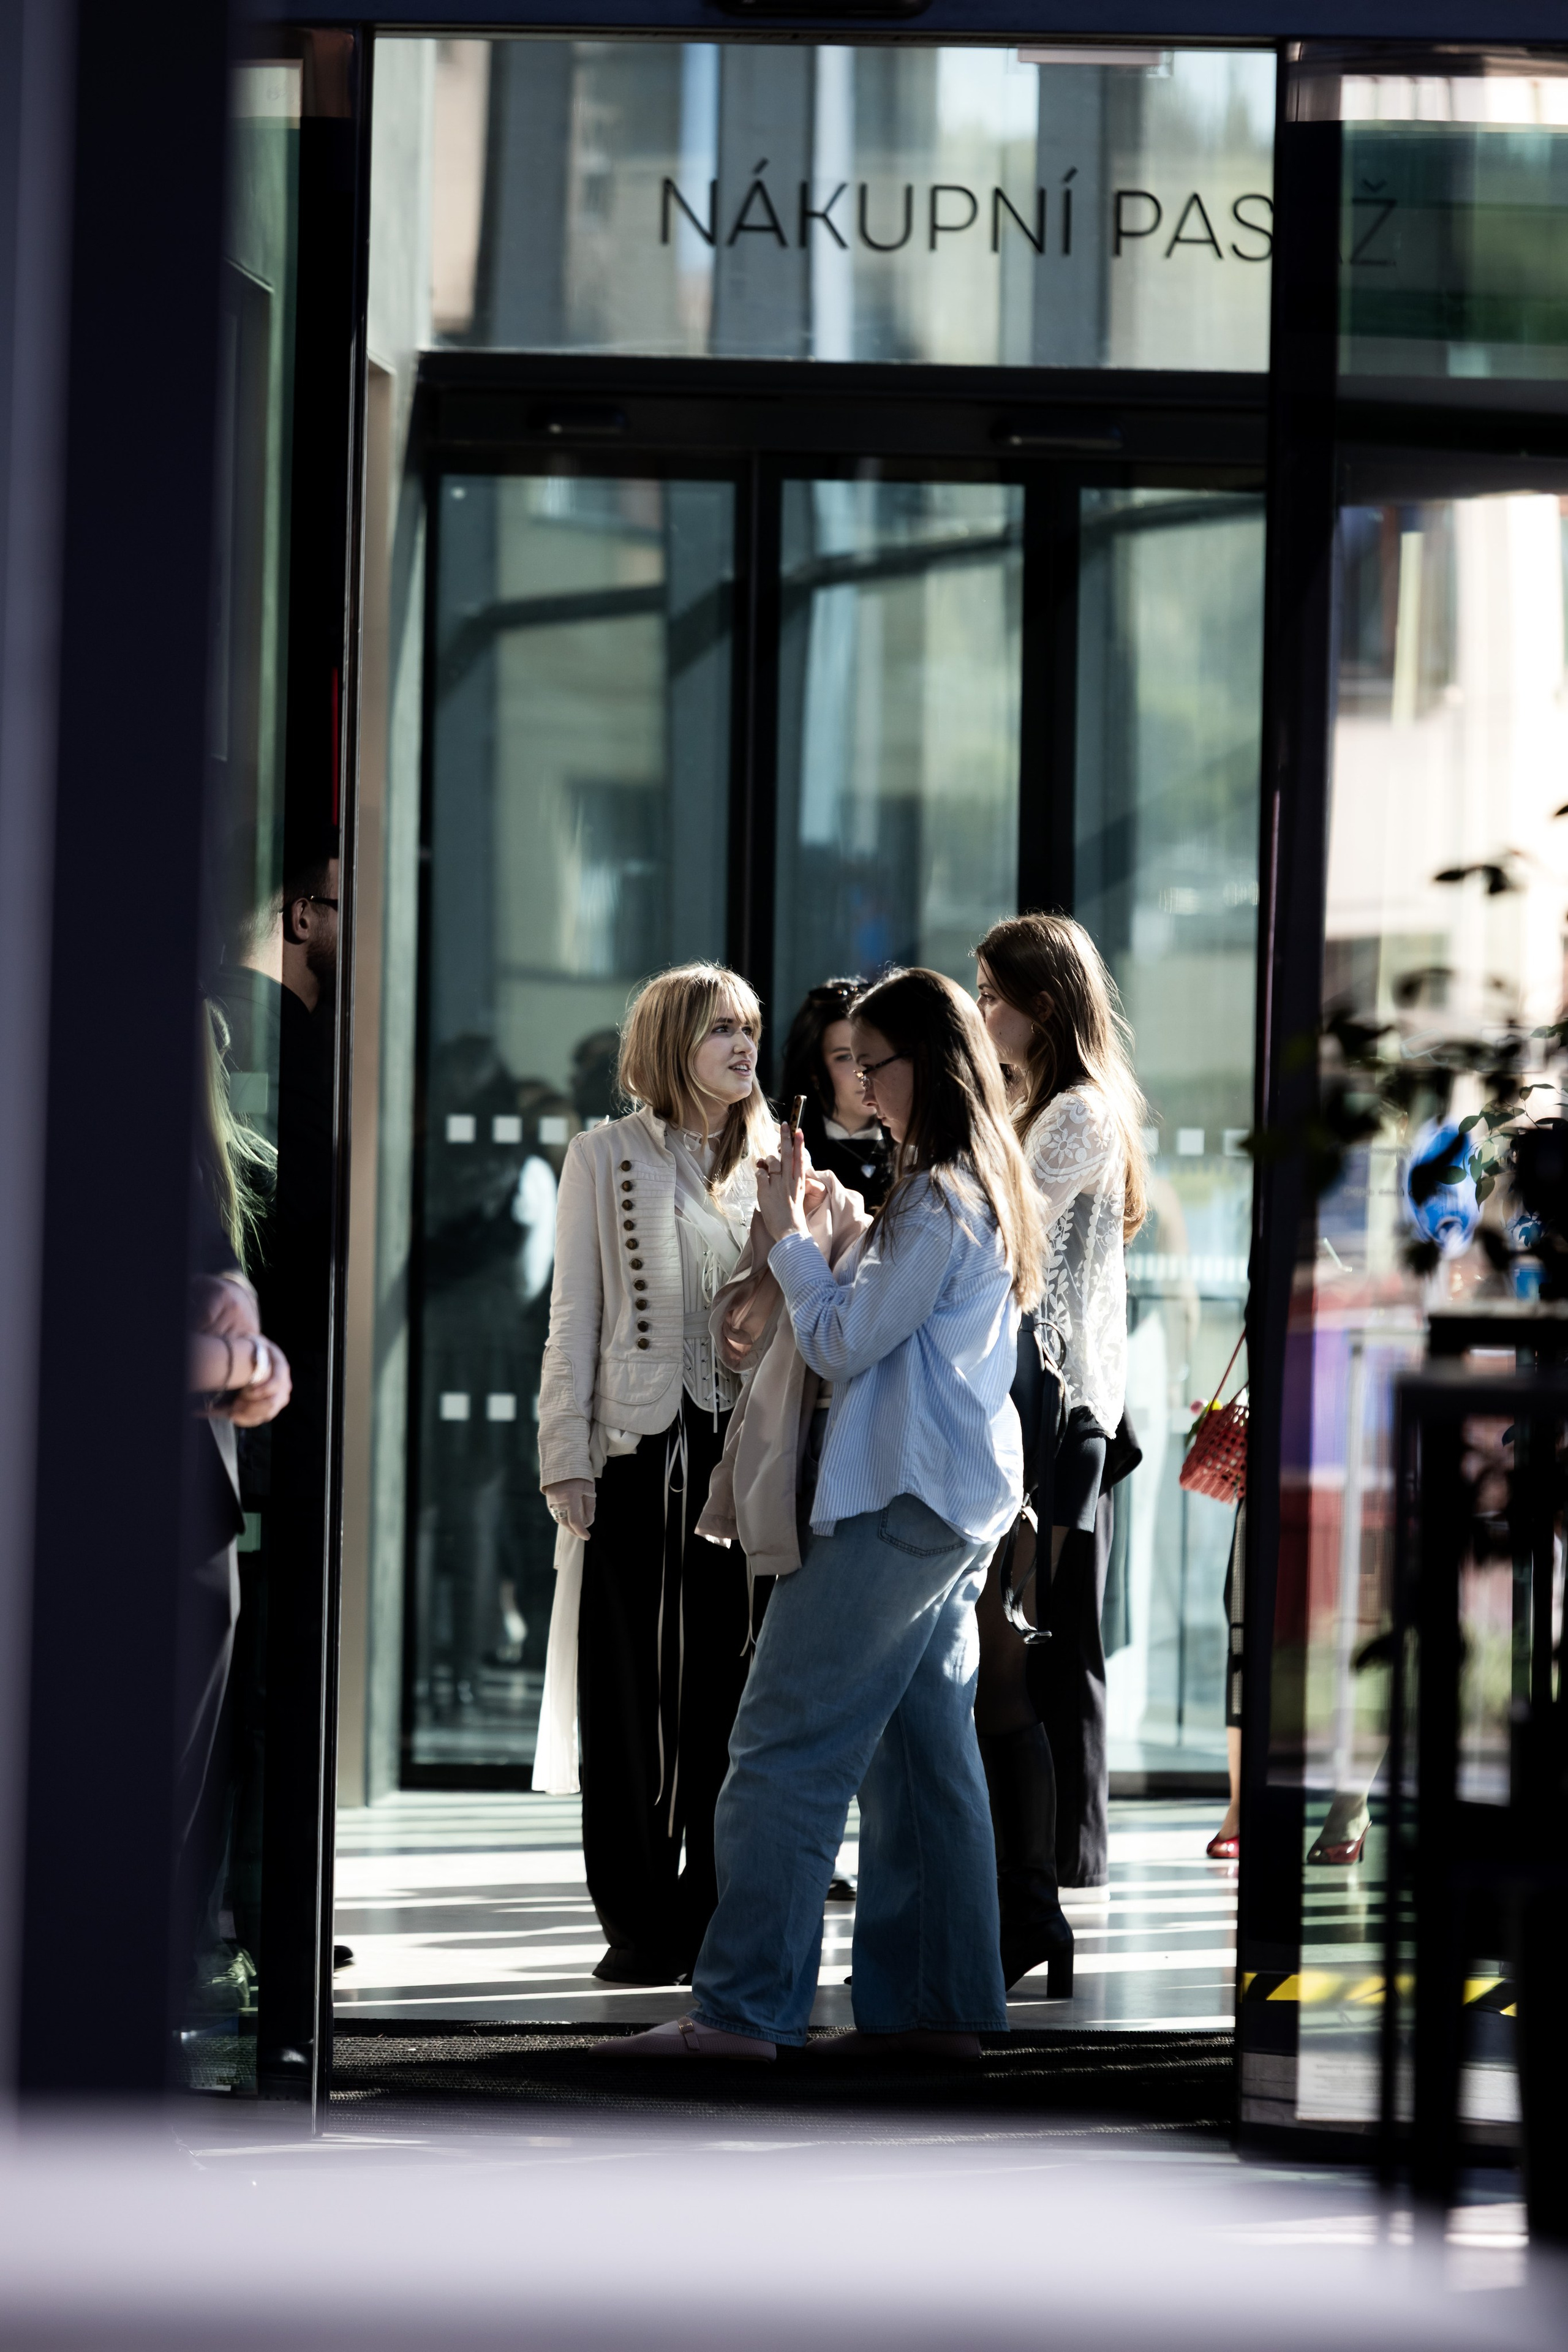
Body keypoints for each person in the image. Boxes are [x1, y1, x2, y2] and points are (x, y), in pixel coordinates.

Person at [606, 966, 1041, 2061]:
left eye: (871, 1064)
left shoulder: (941, 1194)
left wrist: (790, 1234)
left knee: (780, 1752)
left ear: (921, 1067)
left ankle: (744, 2011)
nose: (857, 1084)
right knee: (922, 1766)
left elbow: (847, 1341)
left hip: (898, 1500)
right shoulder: (973, 1186)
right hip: (949, 1504)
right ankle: (938, 2016)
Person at [536, 963, 774, 1984]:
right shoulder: (603, 1154)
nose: (742, 1047)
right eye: (722, 1028)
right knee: (627, 1696)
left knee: (728, 1688)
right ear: (671, 1039)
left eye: (750, 1029)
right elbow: (572, 1314)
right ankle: (637, 1917)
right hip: (635, 1455)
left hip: (741, 1459)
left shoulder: (776, 1159)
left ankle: (711, 1905)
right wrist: (565, 1454)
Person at [973, 913, 1147, 1975]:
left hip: (1061, 1401)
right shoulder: (1038, 1102)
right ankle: (1029, 1897)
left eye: (992, 993)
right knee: (1023, 1644)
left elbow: (1005, 1235)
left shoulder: (1078, 1114)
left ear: (1042, 1004)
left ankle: (1046, 1886)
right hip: (1043, 1394)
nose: (980, 1009)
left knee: (1036, 1642)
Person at [779, 977, 892, 1208]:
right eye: (845, 1057)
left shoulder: (913, 1143)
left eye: (871, 1054)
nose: (863, 1071)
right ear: (814, 1069)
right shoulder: (785, 1146)